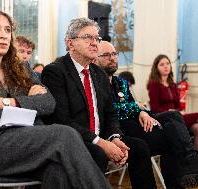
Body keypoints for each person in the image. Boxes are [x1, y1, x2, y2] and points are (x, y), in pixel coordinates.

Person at [0, 10, 112, 189]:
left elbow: (48, 103)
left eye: (7, 30)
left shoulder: (21, 68)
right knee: (64, 134)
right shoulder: (55, 70)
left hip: (28, 143)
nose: (3, 35)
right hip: (2, 146)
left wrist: (9, 102)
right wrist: (30, 100)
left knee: (59, 170)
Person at [96, 41, 198, 189]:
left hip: (137, 123)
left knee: (174, 117)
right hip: (119, 129)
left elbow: (135, 106)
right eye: (106, 55)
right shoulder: (96, 82)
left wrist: (142, 111)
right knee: (172, 135)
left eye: (114, 54)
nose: (112, 58)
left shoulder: (120, 82)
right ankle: (190, 164)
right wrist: (138, 108)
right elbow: (114, 110)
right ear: (95, 59)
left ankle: (192, 161)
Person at [41, 18, 156, 189]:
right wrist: (101, 143)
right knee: (97, 153)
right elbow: (61, 120)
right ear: (70, 43)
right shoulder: (55, 71)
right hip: (75, 140)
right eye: (88, 37)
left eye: (97, 38)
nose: (95, 43)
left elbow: (110, 115)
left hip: (102, 137)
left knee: (138, 148)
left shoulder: (99, 74)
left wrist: (114, 138)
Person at [147, 54, 198, 164]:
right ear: (156, 68)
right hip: (165, 119)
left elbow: (178, 105)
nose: (166, 66)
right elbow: (154, 109)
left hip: (177, 116)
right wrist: (169, 111)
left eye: (167, 63)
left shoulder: (172, 84)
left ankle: (196, 163)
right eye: (162, 64)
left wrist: (177, 111)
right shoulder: (154, 85)